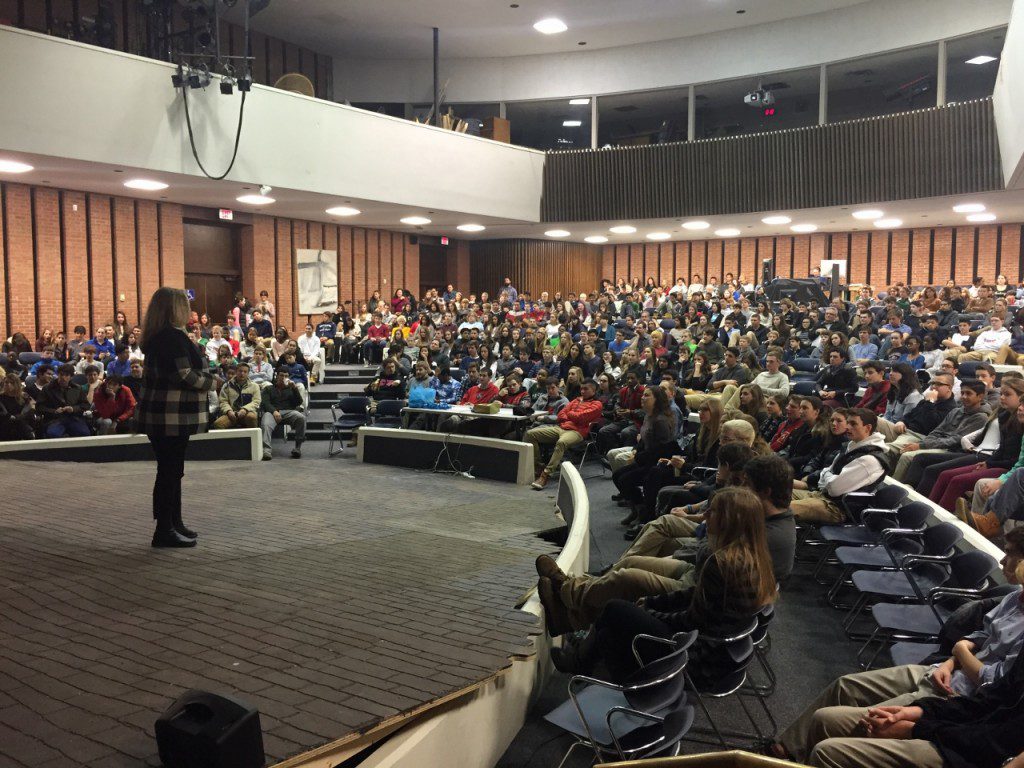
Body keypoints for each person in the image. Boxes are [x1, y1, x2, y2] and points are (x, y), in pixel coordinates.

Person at [770, 529, 1024, 765]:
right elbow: (982, 637)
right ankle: (783, 752)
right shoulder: (1014, 598)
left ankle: (795, 756)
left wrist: (958, 652)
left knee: (842, 739)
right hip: (945, 673)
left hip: (954, 694)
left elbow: (989, 689)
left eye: (1011, 553)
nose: (1003, 561)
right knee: (845, 686)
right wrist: (951, 659)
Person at [543, 487, 777, 682]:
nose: (705, 516)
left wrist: (650, 612)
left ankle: (578, 653)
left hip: (695, 653)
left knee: (617, 608)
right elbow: (694, 596)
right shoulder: (753, 556)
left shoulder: (721, 563)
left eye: (712, 512)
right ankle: (578, 642)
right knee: (614, 620)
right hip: (712, 648)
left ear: (729, 520)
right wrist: (654, 602)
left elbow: (692, 620)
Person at [137, 287, 218, 548]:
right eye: (184, 305)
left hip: (163, 414)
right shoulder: (171, 338)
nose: (189, 311)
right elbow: (183, 374)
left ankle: (174, 522)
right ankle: (164, 530)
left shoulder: (160, 336)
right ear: (174, 309)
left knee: (172, 470)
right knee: (170, 471)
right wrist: (210, 381)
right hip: (170, 415)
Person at [790, 408, 888, 523]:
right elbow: (826, 476)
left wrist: (828, 476)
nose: (848, 427)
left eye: (853, 424)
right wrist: (829, 477)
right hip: (821, 495)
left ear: (868, 428)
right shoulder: (851, 446)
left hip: (837, 509)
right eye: (848, 422)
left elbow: (834, 489)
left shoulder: (870, 460)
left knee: (780, 509)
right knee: (774, 493)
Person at [527, 378, 603, 490]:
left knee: (561, 442)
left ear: (594, 390)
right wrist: (572, 415)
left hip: (577, 432)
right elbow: (560, 415)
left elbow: (580, 418)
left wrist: (570, 414)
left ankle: (545, 475)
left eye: (585, 389)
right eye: (581, 389)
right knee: (530, 434)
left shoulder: (597, 404)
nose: (582, 391)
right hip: (561, 428)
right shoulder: (576, 400)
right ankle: (538, 465)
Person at [260, 367, 305, 460]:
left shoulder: (291, 389)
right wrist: (274, 411)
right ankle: (266, 450)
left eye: (286, 376)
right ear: (277, 376)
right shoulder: (268, 388)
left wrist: (295, 389)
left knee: (301, 417)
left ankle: (297, 448)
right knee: (266, 423)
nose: (283, 378)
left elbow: (298, 402)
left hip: (288, 412)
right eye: (281, 375)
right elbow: (265, 403)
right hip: (272, 412)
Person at [37, 364, 91, 438]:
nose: (63, 377)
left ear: (71, 377)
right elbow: (40, 407)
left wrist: (73, 409)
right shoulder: (47, 388)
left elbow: (86, 405)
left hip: (73, 418)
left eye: (66, 375)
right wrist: (54, 411)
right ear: (58, 374)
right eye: (61, 374)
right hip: (55, 419)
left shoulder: (78, 388)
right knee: (53, 434)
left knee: (85, 433)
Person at [213, 362, 261, 430]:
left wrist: (245, 409)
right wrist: (229, 411)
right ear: (236, 372)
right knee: (218, 424)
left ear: (248, 373)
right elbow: (223, 401)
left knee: (252, 417)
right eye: (240, 371)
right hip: (232, 413)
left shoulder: (254, 386)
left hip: (247, 412)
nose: (242, 373)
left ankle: (253, 440)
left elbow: (256, 401)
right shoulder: (227, 385)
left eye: (245, 372)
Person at [0, 372, 35, 441]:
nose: (8, 385)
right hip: (4, 425)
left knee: (20, 422)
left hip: (21, 424)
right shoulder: (1, 398)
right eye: (6, 382)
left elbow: (30, 411)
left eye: (12, 383)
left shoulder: (24, 397)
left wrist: (17, 417)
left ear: (17, 384)